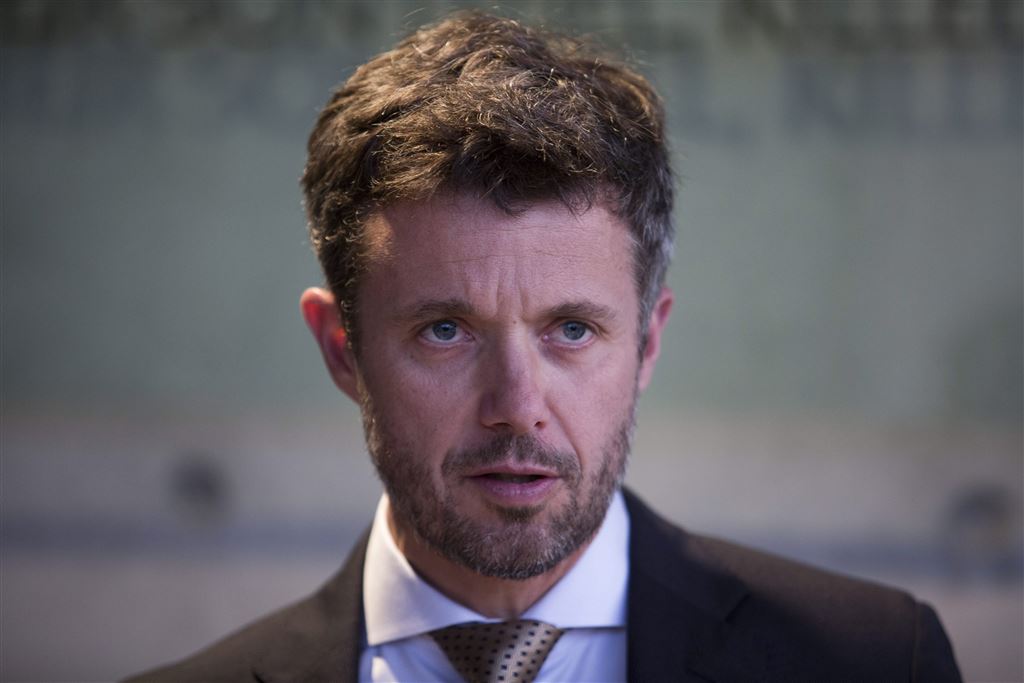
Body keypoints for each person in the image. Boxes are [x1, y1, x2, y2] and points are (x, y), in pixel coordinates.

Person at [128, 11, 961, 682]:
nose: (517, 407)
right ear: (342, 349)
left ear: (647, 342)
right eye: (445, 330)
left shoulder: (879, 661)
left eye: (572, 330)